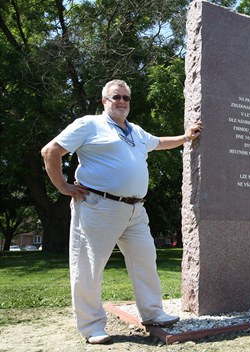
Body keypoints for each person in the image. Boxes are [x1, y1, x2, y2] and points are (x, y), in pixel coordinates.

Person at [41, 79, 202, 344]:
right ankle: (92, 326)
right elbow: (51, 151)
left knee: (145, 260)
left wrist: (185, 137)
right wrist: (62, 186)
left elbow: (159, 142)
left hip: (135, 210)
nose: (122, 102)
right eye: (116, 97)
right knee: (89, 267)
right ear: (104, 101)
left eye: (126, 98)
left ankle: (153, 313)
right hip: (99, 206)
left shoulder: (136, 131)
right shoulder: (88, 124)